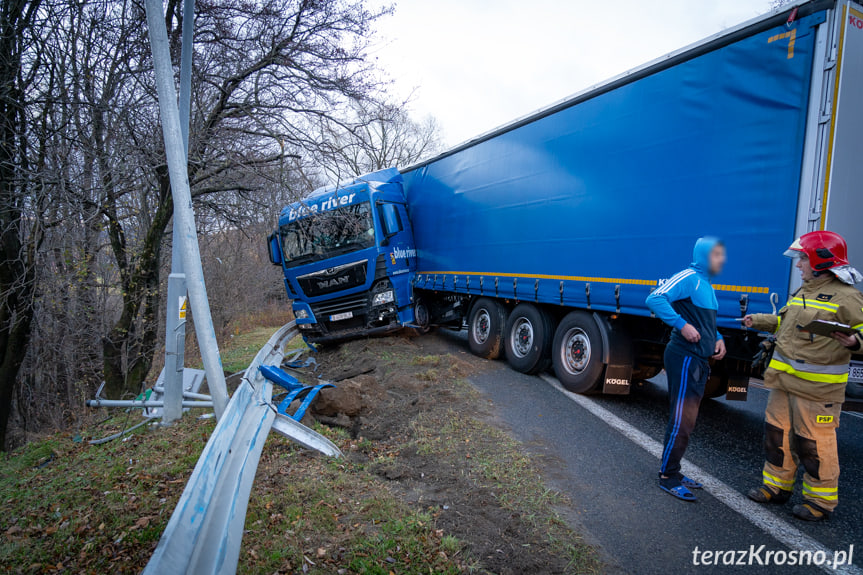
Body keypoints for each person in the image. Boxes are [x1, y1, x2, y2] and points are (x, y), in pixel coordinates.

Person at [743, 231, 863, 521]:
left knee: (813, 445)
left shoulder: (848, 297)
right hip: (784, 383)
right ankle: (776, 486)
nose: (798, 265)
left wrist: (855, 341)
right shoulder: (804, 291)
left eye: (803, 259)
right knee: (777, 435)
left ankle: (820, 502)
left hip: (817, 390)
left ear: (821, 261)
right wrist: (759, 320)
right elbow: (787, 323)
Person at [646, 237, 727, 501]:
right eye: (716, 254)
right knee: (682, 418)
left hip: (699, 360)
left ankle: (675, 471)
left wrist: (718, 337)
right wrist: (681, 324)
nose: (722, 259)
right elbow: (655, 298)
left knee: (688, 420)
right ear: (703, 255)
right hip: (683, 356)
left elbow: (704, 322)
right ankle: (668, 476)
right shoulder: (689, 276)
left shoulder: (707, 285)